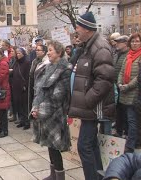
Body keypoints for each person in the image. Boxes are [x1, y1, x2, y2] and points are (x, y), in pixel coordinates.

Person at [68, 12, 115, 180]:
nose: (76, 30)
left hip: (94, 107)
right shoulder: (88, 45)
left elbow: (105, 79)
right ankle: (99, 176)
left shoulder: (100, 47)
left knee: (84, 146)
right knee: (92, 145)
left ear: (87, 28)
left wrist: (88, 99)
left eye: (78, 26)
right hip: (89, 107)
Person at [31, 40, 72, 180]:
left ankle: (60, 176)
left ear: (59, 52)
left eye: (50, 50)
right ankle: (53, 174)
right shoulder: (49, 67)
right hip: (45, 113)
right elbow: (39, 90)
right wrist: (35, 107)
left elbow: (58, 96)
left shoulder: (65, 69)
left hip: (56, 114)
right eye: (47, 50)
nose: (48, 53)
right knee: (49, 145)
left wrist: (40, 110)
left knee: (55, 147)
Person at [117, 33, 141, 153]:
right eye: (133, 41)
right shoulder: (128, 56)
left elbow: (138, 77)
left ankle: (130, 145)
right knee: (127, 118)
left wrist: (128, 86)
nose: (135, 43)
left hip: (135, 93)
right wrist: (120, 83)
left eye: (137, 41)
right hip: (124, 92)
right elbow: (121, 71)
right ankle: (130, 140)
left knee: (132, 120)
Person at [113, 35, 129, 137]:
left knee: (125, 111)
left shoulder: (128, 55)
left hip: (124, 87)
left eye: (119, 42)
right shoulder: (117, 54)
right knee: (118, 109)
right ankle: (119, 129)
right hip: (116, 86)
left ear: (125, 44)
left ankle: (125, 131)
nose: (116, 44)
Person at [12, 48, 30, 130]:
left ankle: (27, 122)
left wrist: (25, 85)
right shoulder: (16, 62)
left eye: (19, 53)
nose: (17, 55)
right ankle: (21, 120)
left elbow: (27, 75)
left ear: (23, 53)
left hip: (23, 87)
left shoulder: (27, 62)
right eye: (17, 53)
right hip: (16, 86)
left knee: (24, 105)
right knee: (18, 104)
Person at [28, 45, 49, 117]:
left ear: (44, 52)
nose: (36, 51)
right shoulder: (35, 61)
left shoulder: (46, 62)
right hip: (34, 86)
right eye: (36, 50)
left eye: (38, 50)